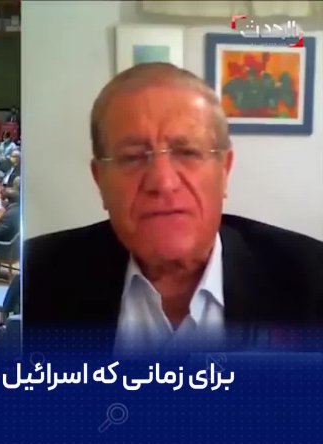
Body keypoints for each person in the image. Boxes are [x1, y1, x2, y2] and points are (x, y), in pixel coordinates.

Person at [23, 62, 323, 355]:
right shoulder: (35, 277)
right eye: (132, 157)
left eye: (187, 152)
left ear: (224, 171)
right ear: (100, 179)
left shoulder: (311, 280)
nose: (163, 182)